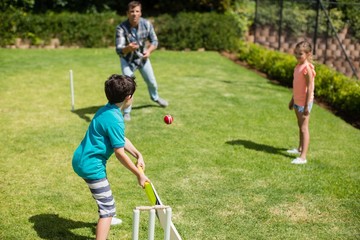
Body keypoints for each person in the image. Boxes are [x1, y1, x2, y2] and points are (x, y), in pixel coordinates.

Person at [72, 74, 150, 240]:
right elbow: (119, 152)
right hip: (91, 165)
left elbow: (119, 138)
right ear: (128, 98)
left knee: (103, 195)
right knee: (107, 207)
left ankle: (107, 217)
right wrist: (139, 174)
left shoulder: (107, 110)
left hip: (82, 159)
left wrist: (138, 154)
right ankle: (106, 217)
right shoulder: (115, 118)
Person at [115, 1, 168, 121]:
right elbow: (119, 50)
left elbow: (155, 41)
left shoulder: (147, 24)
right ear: (127, 13)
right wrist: (128, 48)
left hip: (142, 59)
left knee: (152, 82)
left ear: (140, 13)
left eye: (137, 11)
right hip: (127, 60)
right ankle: (127, 111)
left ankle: (155, 98)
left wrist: (149, 51)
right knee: (128, 86)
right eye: (132, 11)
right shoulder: (121, 28)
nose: (134, 14)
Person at [287, 40, 316, 164]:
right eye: (296, 53)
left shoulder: (306, 68)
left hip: (304, 104)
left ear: (308, 54)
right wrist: (292, 99)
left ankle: (303, 157)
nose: (298, 56)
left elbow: (309, 87)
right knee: (300, 126)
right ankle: (299, 149)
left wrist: (306, 106)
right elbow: (297, 86)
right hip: (297, 102)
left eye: (301, 54)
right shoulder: (297, 66)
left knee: (304, 128)